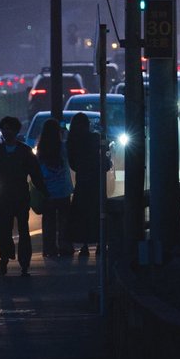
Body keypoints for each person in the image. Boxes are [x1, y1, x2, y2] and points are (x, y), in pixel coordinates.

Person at [0, 114, 46, 276]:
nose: (6, 132)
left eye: (9, 129)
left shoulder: (25, 151)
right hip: (2, 196)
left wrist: (43, 189)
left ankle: (24, 262)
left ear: (15, 131)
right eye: (4, 129)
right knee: (3, 230)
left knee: (23, 230)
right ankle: (4, 259)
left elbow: (35, 174)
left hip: (20, 196)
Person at [66, 111, 112, 259]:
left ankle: (84, 245)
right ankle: (100, 243)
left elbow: (72, 164)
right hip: (96, 180)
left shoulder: (72, 141)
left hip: (82, 180)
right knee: (98, 211)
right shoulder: (95, 137)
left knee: (82, 213)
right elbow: (106, 152)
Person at [36, 117, 73, 259]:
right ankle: (65, 245)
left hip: (48, 191)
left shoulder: (41, 149)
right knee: (64, 220)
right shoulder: (63, 147)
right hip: (63, 190)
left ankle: (49, 248)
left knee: (49, 221)